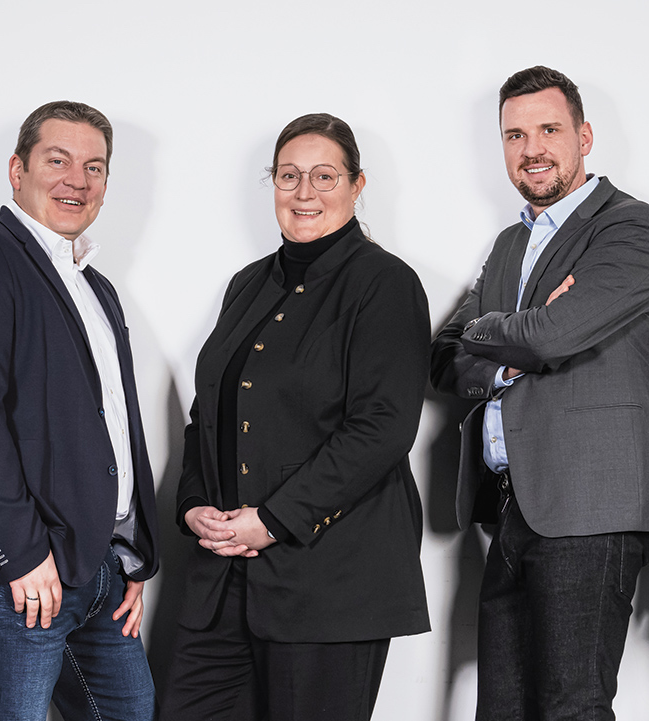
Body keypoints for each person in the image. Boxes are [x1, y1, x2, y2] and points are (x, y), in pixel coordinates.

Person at [159, 113, 431, 721]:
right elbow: (208, 414)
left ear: (357, 185)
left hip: (331, 585)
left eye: (324, 176)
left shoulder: (385, 283)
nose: (304, 192)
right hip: (221, 581)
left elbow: (382, 427)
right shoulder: (247, 284)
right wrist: (192, 504)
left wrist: (274, 520)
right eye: (288, 175)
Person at [430, 65, 649, 719]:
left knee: (572, 706)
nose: (531, 148)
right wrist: (507, 348)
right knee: (502, 708)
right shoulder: (510, 243)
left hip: (591, 508)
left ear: (584, 136)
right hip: (513, 506)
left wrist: (497, 329)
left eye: (548, 130)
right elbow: (442, 356)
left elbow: (552, 336)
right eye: (515, 135)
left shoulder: (631, 227)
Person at [0, 100, 159, 721]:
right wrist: (19, 554)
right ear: (16, 170)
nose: (78, 180)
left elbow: (113, 426)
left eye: (94, 167)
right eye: (58, 160)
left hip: (98, 566)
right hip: (11, 570)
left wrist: (133, 550)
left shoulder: (96, 287)